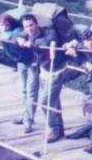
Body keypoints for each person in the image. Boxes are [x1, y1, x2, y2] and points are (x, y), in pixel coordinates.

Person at [0, 13, 36, 133]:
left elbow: (13, 37)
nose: (4, 27)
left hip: (33, 63)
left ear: (11, 24)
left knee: (31, 93)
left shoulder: (18, 30)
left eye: (6, 25)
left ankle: (28, 122)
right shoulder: (0, 30)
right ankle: (24, 115)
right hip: (21, 62)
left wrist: (1, 36)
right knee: (24, 90)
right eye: (1, 25)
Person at [17, 13, 69, 143]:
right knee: (54, 101)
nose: (29, 28)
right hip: (44, 70)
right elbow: (18, 37)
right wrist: (19, 39)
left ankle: (53, 130)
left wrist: (30, 43)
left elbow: (48, 41)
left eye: (31, 25)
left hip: (57, 70)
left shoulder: (49, 32)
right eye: (26, 26)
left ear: (37, 24)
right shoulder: (26, 33)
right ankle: (60, 128)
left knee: (45, 103)